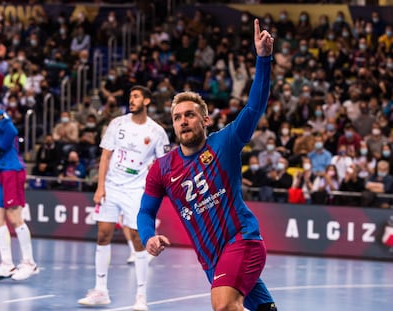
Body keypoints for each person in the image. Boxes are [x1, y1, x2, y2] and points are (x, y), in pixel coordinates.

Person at [137, 19, 277, 311]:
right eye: (177, 117)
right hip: (211, 258)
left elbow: (254, 107)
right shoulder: (162, 169)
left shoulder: (224, 143)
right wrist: (148, 236)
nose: (183, 121)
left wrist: (263, 59)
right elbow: (145, 211)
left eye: (189, 115)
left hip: (242, 240)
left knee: (224, 305)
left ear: (205, 120)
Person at [77, 85, 170, 309]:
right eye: (130, 96)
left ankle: (141, 296)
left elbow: (164, 164)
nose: (132, 100)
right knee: (103, 235)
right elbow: (105, 156)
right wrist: (100, 187)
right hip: (111, 186)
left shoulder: (157, 131)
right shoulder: (117, 123)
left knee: (138, 240)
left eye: (136, 96)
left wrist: (153, 178)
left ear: (146, 101)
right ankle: (101, 291)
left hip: (136, 190)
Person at [0, 92, 39, 281]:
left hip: (12, 170)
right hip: (1, 174)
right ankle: (7, 264)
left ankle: (29, 263)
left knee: (14, 217)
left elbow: (12, 132)